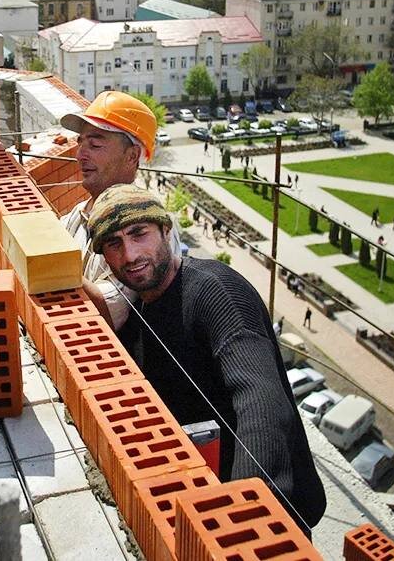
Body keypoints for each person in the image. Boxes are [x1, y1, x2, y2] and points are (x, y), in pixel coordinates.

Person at [86, 185, 326, 532]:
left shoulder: (216, 293)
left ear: (166, 230)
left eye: (139, 234)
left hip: (269, 517)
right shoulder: (140, 309)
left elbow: (261, 403)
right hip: (197, 503)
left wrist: (242, 513)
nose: (130, 255)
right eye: (114, 244)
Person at [59, 91, 181, 331]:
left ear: (132, 155)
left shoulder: (148, 228)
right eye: (80, 143)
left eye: (94, 144)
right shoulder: (78, 215)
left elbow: (108, 312)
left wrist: (47, 264)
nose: (80, 155)